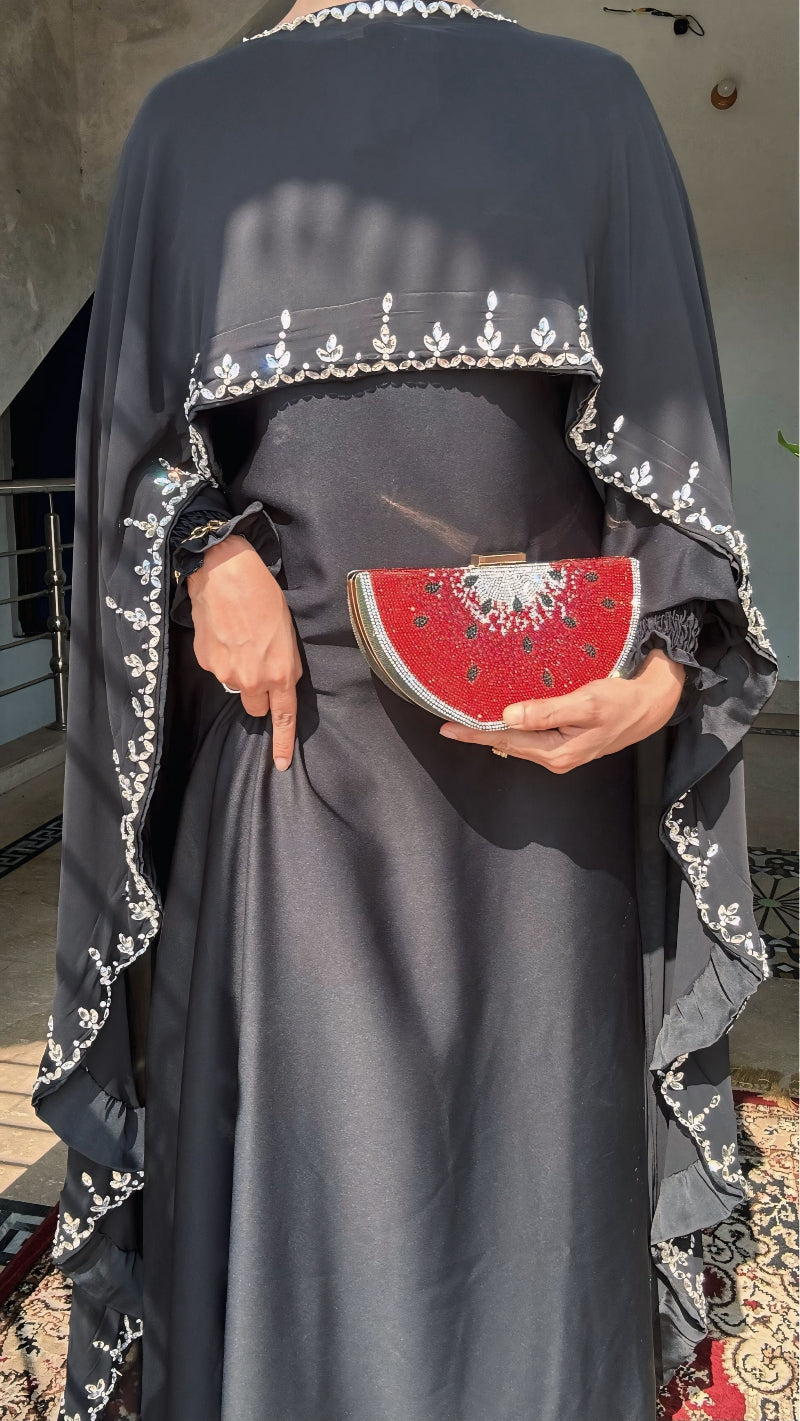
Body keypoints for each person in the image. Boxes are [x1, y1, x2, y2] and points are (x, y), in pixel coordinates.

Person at [31, 2, 778, 1418]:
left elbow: (677, 464)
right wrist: (206, 555)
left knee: (532, 1195)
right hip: (292, 778)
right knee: (315, 1187)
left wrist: (669, 663)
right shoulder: (186, 130)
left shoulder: (600, 108)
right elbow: (128, 457)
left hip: (548, 792)